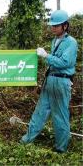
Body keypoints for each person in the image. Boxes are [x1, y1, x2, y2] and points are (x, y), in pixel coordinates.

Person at [20, 10, 78, 153]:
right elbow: (53, 61)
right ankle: (27, 139)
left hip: (61, 82)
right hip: (50, 80)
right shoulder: (54, 40)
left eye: (56, 25)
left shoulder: (71, 42)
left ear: (65, 26)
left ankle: (60, 148)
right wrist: (47, 56)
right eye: (52, 25)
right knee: (40, 111)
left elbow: (65, 62)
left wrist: (46, 56)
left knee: (60, 116)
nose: (53, 28)